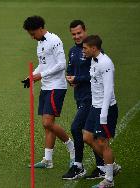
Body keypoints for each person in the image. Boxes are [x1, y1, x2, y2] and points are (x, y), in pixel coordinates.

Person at [22, 15, 75, 169]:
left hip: (56, 87)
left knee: (48, 122)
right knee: (47, 126)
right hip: (46, 87)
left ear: (40, 28)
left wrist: (40, 75)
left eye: (33, 34)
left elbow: (61, 65)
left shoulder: (54, 40)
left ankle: (72, 148)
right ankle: (48, 160)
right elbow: (43, 65)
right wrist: (31, 76)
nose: (32, 37)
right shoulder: (40, 43)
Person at [62, 20, 105, 180]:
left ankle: (78, 166)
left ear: (85, 31)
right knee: (90, 133)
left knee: (76, 128)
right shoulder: (73, 51)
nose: (77, 36)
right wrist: (69, 78)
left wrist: (77, 78)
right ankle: (101, 167)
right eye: (73, 34)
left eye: (79, 33)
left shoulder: (92, 50)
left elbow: (97, 74)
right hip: (79, 97)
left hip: (92, 98)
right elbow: (70, 69)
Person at [82, 35, 120, 188]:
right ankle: (113, 166)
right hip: (95, 106)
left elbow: (109, 90)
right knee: (87, 137)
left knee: (103, 143)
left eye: (85, 48)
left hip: (106, 108)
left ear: (94, 48)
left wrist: (103, 113)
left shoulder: (105, 63)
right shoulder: (93, 60)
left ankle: (109, 180)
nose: (83, 50)